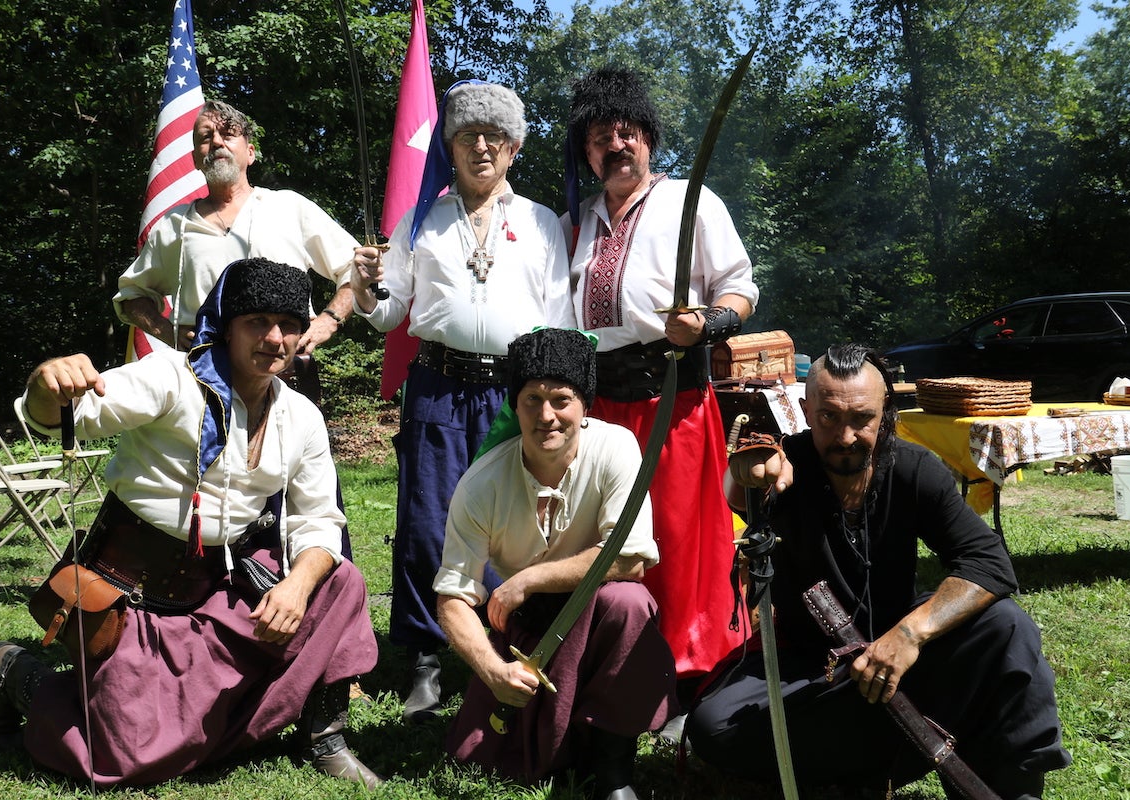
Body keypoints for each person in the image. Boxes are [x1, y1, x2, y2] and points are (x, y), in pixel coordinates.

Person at [0, 258, 382, 788]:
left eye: (289, 325)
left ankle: (323, 735)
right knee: (129, 757)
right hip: (130, 597)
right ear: (227, 326)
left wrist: (299, 586)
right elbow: (68, 414)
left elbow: (320, 519)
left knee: (337, 578)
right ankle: (14, 672)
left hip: (222, 592)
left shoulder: (301, 416)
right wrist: (50, 385)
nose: (275, 338)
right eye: (257, 321)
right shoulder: (172, 378)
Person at [686, 344, 1071, 799]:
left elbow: (988, 563)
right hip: (813, 669)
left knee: (1006, 627)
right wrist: (747, 468)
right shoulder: (786, 468)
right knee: (713, 726)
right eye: (828, 417)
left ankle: (1010, 789)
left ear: (884, 411)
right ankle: (881, 755)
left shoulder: (915, 469)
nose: (845, 436)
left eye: (861, 419)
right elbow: (741, 487)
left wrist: (909, 636)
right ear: (806, 411)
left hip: (902, 658)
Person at [351, 81, 577, 721]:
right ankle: (425, 654)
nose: (481, 146)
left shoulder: (540, 223)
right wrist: (367, 289)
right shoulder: (420, 219)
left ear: (513, 148)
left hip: (514, 392)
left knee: (517, 517)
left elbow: (557, 314)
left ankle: (509, 638)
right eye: (467, 135)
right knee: (427, 522)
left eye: (494, 137)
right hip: (438, 386)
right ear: (450, 145)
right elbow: (391, 310)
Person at [564, 68, 759, 714]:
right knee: (610, 540)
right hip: (599, 407)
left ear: (647, 137)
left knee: (676, 542)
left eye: (626, 133)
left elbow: (739, 288)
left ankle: (688, 676)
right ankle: (619, 668)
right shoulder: (577, 221)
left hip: (672, 400)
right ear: (586, 152)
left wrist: (708, 322)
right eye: (600, 137)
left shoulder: (690, 203)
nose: (615, 145)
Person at [435, 328, 677, 800]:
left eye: (561, 399)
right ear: (515, 405)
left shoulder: (617, 448)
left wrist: (529, 578)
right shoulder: (480, 484)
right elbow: (452, 596)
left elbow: (628, 560)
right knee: (488, 758)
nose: (546, 415)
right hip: (530, 636)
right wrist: (491, 669)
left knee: (629, 602)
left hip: (602, 614)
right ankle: (566, 735)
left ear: (584, 404)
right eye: (531, 399)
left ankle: (614, 771)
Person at [115, 100, 358, 353]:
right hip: (202, 374)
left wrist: (331, 319)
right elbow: (132, 295)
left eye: (228, 135)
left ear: (250, 153)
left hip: (283, 372)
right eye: (206, 137)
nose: (217, 142)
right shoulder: (175, 225)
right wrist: (165, 331)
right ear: (195, 159)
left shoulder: (290, 208)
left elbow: (356, 266)